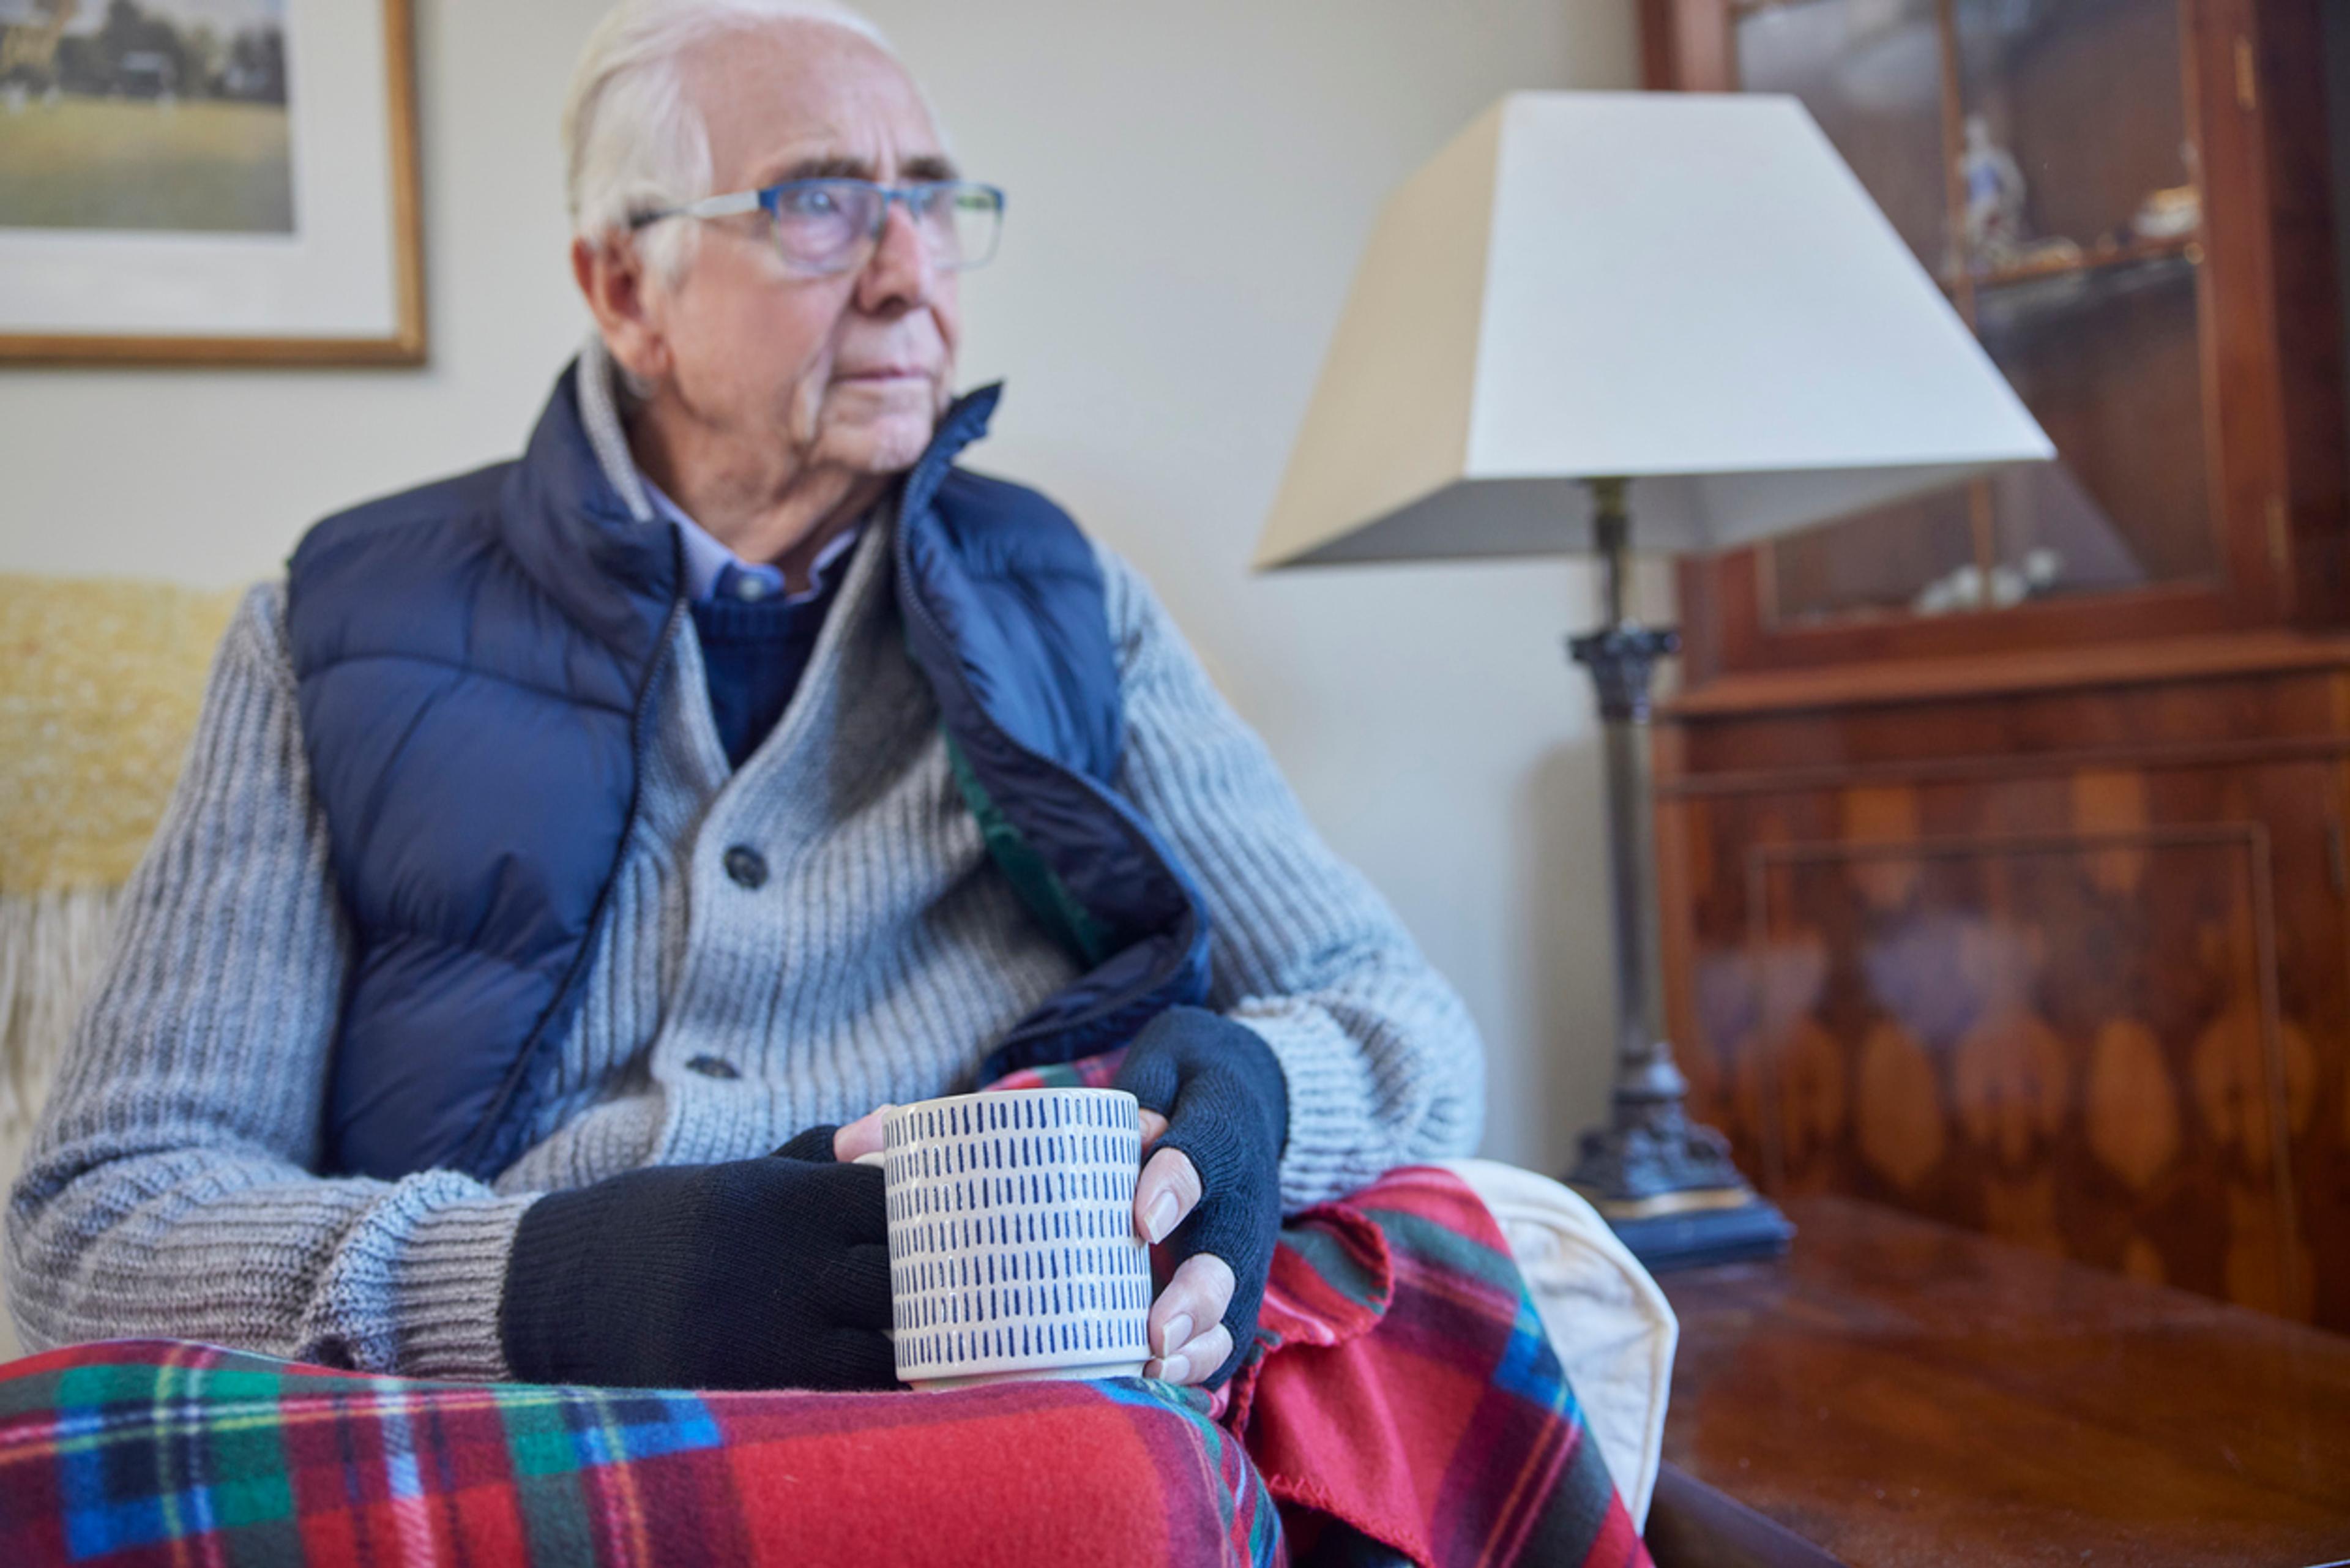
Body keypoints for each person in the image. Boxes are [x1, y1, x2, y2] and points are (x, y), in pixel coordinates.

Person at [5, 0, 1482, 1398]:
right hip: (516, 1413)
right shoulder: (335, 626)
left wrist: (1254, 1091)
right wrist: (542, 1282)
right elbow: (98, 1223)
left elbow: (1403, 1022)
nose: (911, 273)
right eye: (819, 203)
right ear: (624, 286)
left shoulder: (1067, 597)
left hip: (992, 1380)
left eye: (935, 203)